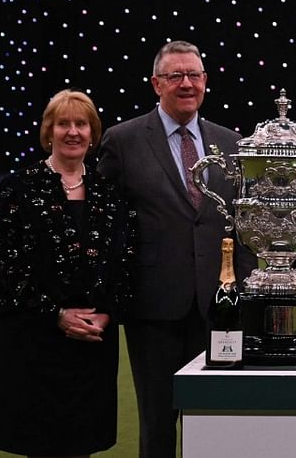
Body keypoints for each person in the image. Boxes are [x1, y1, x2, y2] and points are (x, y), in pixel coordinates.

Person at [97, 40, 254, 458]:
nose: (187, 83)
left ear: (205, 82)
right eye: (176, 76)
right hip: (154, 308)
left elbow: (243, 226)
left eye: (195, 75)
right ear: (156, 84)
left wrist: (245, 293)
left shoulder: (231, 143)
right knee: (157, 423)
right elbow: (105, 228)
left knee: (219, 419)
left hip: (219, 308)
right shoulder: (122, 140)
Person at [0, 90, 137, 457]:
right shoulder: (17, 189)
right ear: (48, 131)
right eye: (63, 123)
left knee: (83, 441)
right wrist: (57, 314)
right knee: (36, 441)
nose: (73, 132)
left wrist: (107, 312)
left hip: (92, 341)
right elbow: (8, 263)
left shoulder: (109, 193)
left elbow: (125, 258)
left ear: (93, 133)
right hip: (31, 338)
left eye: (81, 124)